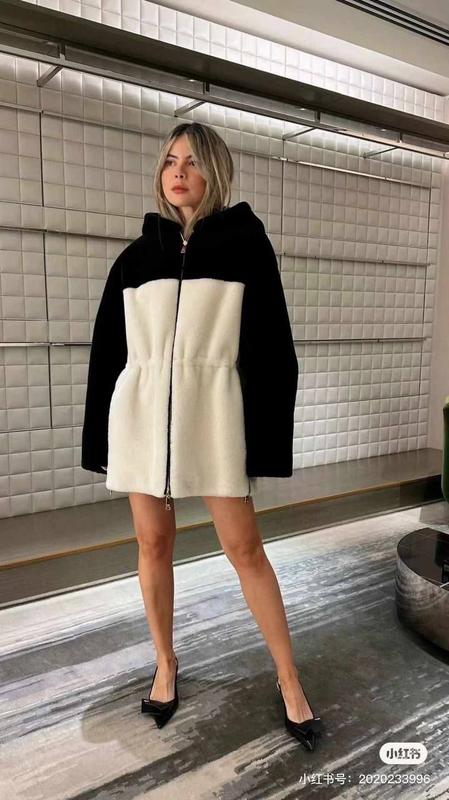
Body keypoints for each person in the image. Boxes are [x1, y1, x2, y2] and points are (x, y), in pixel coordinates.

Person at [81, 121, 324, 751]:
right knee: (151, 543)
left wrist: (265, 442)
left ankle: (290, 680)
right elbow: (108, 353)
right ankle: (165, 664)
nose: (178, 171)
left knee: (245, 549)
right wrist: (101, 438)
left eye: (191, 161)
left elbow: (273, 350)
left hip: (214, 414)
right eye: (170, 160)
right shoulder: (135, 259)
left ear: (214, 170)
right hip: (143, 416)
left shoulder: (246, 248)